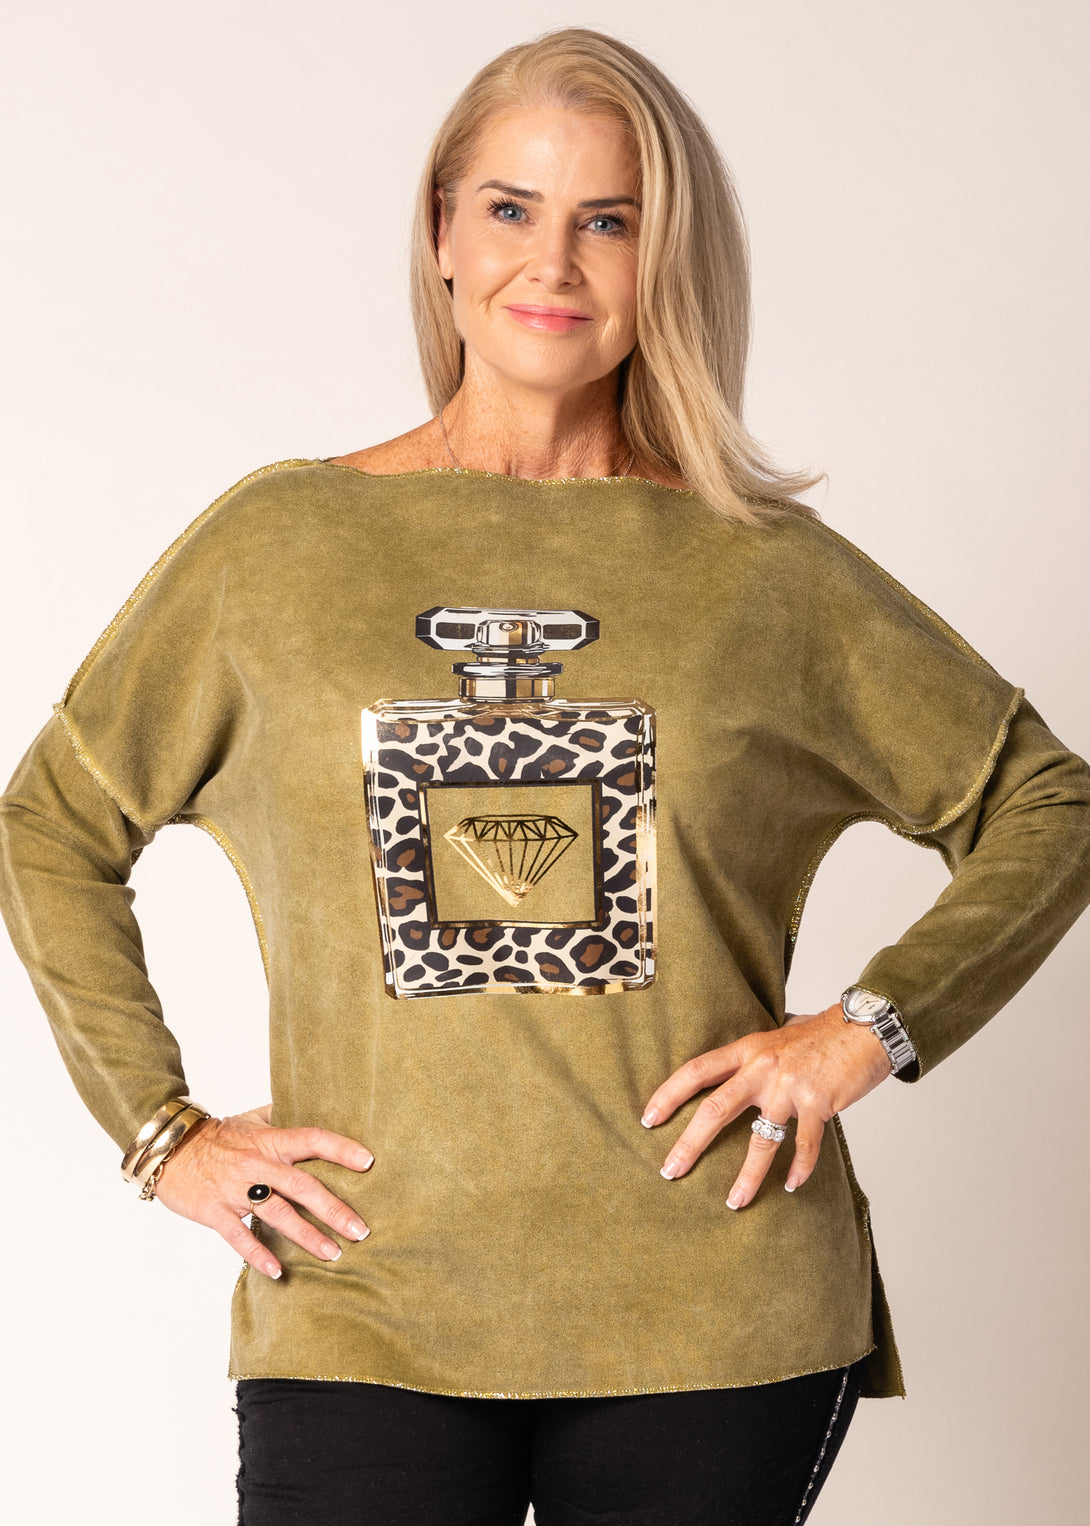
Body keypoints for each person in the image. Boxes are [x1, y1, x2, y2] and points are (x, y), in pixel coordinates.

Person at [2, 24, 1089, 1526]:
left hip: (712, 1308)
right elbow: (51, 823)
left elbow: (1046, 803)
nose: (553, 263)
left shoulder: (761, 573)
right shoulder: (277, 548)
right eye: (511, 207)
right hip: (363, 1295)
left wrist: (866, 1030)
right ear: (442, 232)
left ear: (665, 258)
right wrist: (162, 1133)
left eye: (610, 220)